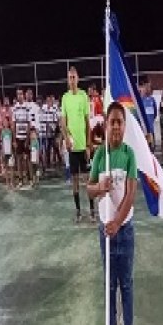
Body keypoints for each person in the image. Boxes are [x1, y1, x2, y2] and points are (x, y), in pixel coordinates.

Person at [87, 101, 139, 325]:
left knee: (126, 283)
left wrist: (117, 222)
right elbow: (89, 188)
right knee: (110, 284)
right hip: (104, 232)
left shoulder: (129, 154)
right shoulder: (100, 155)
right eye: (112, 122)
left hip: (124, 229)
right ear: (105, 126)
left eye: (119, 122)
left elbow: (131, 194)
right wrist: (100, 188)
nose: (116, 126)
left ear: (124, 126)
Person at [61, 67, 95, 222]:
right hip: (73, 147)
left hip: (83, 147)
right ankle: (78, 211)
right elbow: (63, 122)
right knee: (74, 180)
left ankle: (92, 211)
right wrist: (66, 137)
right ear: (68, 80)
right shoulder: (65, 98)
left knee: (88, 179)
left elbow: (88, 122)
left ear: (78, 78)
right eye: (70, 78)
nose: (72, 80)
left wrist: (89, 145)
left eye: (74, 77)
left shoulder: (83, 96)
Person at [12, 88, 30, 187]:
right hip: (18, 138)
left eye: (21, 94)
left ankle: (28, 177)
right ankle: (20, 180)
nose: (19, 96)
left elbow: (28, 123)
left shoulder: (27, 107)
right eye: (18, 94)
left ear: (23, 95)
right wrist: (14, 140)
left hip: (25, 137)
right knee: (18, 159)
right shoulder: (14, 108)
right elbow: (14, 124)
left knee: (26, 159)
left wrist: (27, 139)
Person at [141, 80, 157, 151]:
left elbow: (155, 113)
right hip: (144, 128)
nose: (147, 89)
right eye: (146, 87)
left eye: (148, 87)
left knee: (152, 147)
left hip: (151, 128)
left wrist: (151, 120)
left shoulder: (152, 100)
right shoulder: (141, 100)